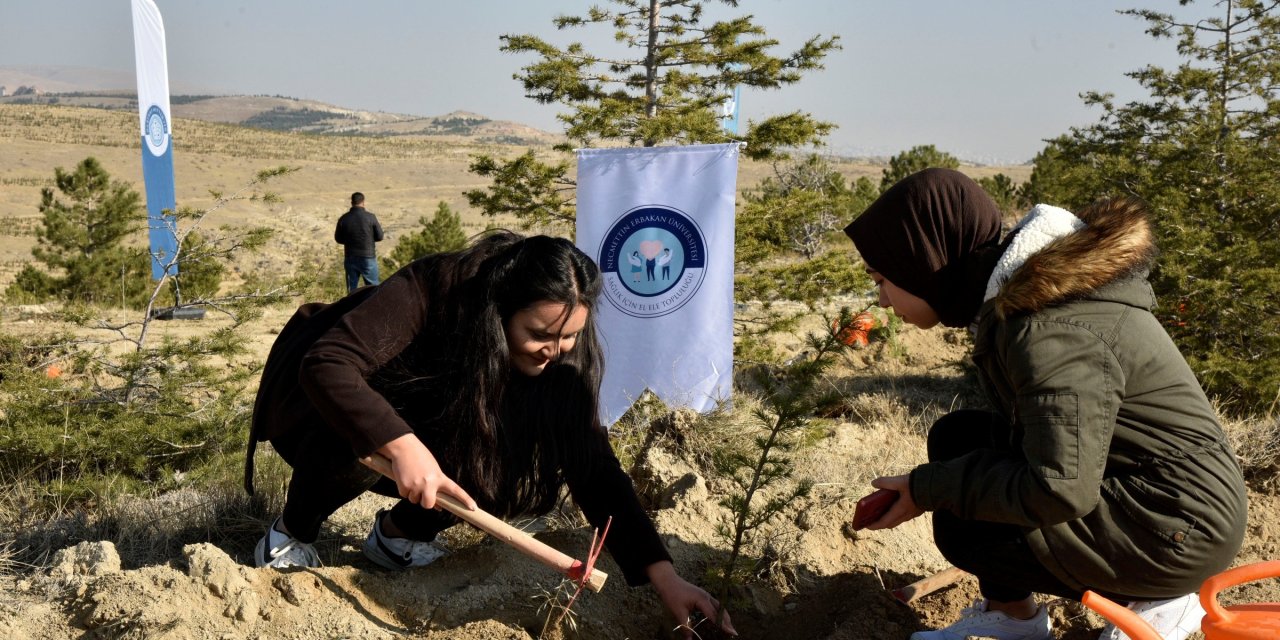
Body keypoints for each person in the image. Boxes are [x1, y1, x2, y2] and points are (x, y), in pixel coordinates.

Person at [243, 231, 735, 638]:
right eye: (539, 334)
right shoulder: (435, 287)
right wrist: (402, 443)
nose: (555, 350)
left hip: (434, 413)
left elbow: (594, 466)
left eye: (569, 336)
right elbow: (329, 365)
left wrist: (662, 575)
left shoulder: (564, 355)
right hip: (315, 397)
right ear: (500, 312)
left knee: (504, 462)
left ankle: (395, 539)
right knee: (362, 426)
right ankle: (292, 532)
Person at [843, 168, 1246, 640]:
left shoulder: (1048, 327)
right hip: (1160, 498)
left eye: (882, 278)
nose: (882, 300)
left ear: (924, 262)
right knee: (958, 438)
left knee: (967, 526)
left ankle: (1160, 598)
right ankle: (1012, 616)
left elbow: (1059, 488)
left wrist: (928, 488)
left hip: (1179, 527)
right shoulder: (1025, 303)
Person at [334, 192, 384, 293]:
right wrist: (368, 239)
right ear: (363, 202)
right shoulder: (371, 217)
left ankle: (352, 308)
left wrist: (349, 241)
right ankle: (373, 308)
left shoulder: (344, 219)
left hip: (350, 257)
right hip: (368, 257)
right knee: (373, 290)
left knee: (352, 291)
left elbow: (338, 239)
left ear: (351, 202)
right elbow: (380, 236)